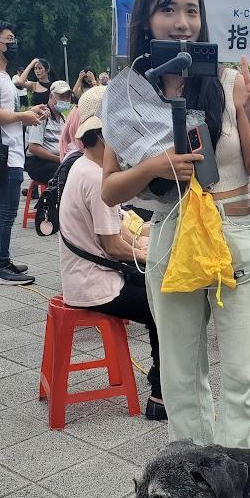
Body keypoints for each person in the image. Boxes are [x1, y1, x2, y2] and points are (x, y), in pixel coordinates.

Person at [101, 0, 250, 449]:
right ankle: (192, 485)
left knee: (246, 374)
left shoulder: (229, 83)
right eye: (168, 9)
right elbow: (110, 190)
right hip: (172, 232)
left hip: (234, 232)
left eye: (191, 10)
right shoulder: (129, 94)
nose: (182, 22)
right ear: (146, 20)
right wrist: (152, 166)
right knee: (180, 374)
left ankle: (243, 485)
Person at [58, 87, 165, 419]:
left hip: (89, 274)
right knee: (165, 310)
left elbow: (115, 236)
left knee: (160, 294)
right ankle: (160, 396)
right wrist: (151, 255)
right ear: (104, 136)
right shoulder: (95, 178)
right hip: (94, 285)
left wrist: (140, 247)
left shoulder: (82, 166)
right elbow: (112, 246)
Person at [0, 18, 48, 285]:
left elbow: (3, 112)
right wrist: (22, 117)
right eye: (9, 39)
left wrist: (28, 113)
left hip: (10, 151)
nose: (13, 44)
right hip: (2, 153)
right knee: (5, 212)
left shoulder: (3, 76)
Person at [24, 80, 72, 184]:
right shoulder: (42, 115)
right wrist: (59, 159)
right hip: (38, 162)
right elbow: (34, 148)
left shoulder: (63, 118)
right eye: (61, 97)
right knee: (66, 175)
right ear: (51, 96)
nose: (65, 100)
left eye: (67, 97)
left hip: (57, 160)